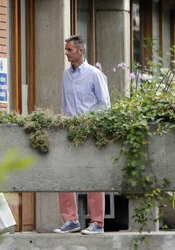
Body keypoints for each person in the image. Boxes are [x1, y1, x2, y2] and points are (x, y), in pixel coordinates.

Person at [53, 35, 110, 235]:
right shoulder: (65, 75)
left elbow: (104, 105)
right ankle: (71, 220)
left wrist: (85, 120)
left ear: (80, 51)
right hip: (69, 133)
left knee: (93, 176)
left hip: (90, 132)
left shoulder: (95, 74)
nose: (66, 54)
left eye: (69, 50)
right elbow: (65, 105)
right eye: (66, 50)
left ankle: (97, 223)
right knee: (65, 174)